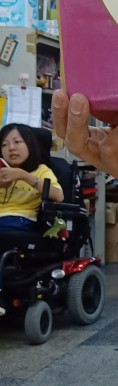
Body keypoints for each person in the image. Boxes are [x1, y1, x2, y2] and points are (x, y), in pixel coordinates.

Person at [0, 123, 65, 316]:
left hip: (21, 220)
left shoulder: (40, 170)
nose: (11, 148)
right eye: (4, 144)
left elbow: (58, 195)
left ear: (30, 144)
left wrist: (23, 176)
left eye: (17, 142)